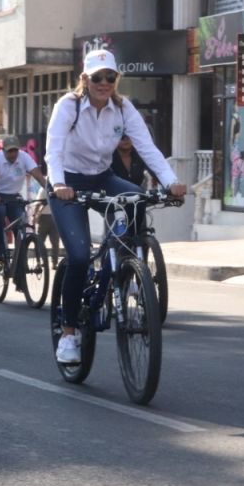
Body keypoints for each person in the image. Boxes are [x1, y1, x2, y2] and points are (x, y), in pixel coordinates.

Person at [46, 49, 186, 364]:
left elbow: (147, 149)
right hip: (67, 183)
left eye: (110, 77)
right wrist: (58, 185)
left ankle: (126, 271)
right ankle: (69, 334)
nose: (104, 83)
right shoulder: (69, 106)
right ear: (85, 79)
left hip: (102, 177)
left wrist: (170, 182)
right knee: (80, 256)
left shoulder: (123, 108)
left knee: (137, 198)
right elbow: (53, 150)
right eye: (98, 77)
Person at [0, 134, 49, 266]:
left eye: (15, 150)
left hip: (13, 196)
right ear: (3, 150)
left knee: (20, 224)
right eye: (10, 151)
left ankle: (20, 261)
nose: (13, 154)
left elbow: (37, 174)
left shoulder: (24, 157)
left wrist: (50, 191)